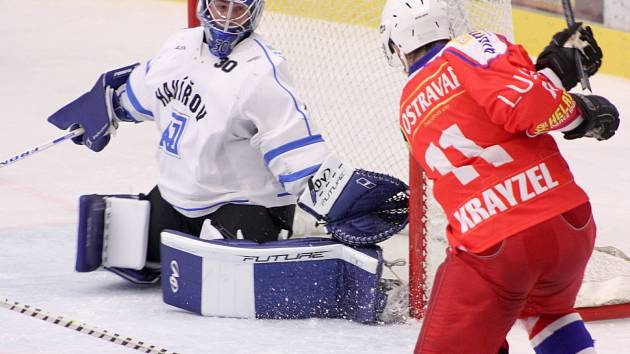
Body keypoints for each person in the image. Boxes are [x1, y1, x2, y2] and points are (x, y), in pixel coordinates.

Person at [46, 0, 408, 297]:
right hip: (181, 195)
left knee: (215, 277)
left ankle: (320, 267)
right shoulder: (178, 47)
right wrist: (107, 108)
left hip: (248, 202)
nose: (230, 19)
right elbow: (139, 96)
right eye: (222, 6)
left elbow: (293, 147)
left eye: (240, 10)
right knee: (128, 254)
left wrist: (335, 195)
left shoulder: (262, 72)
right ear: (205, 5)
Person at [379, 0, 619, 353]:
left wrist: (553, 73)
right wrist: (580, 110)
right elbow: (517, 102)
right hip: (568, 223)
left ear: (397, 46)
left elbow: (503, 107)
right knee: (548, 314)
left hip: (494, 244)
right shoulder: (471, 49)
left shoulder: (408, 111)